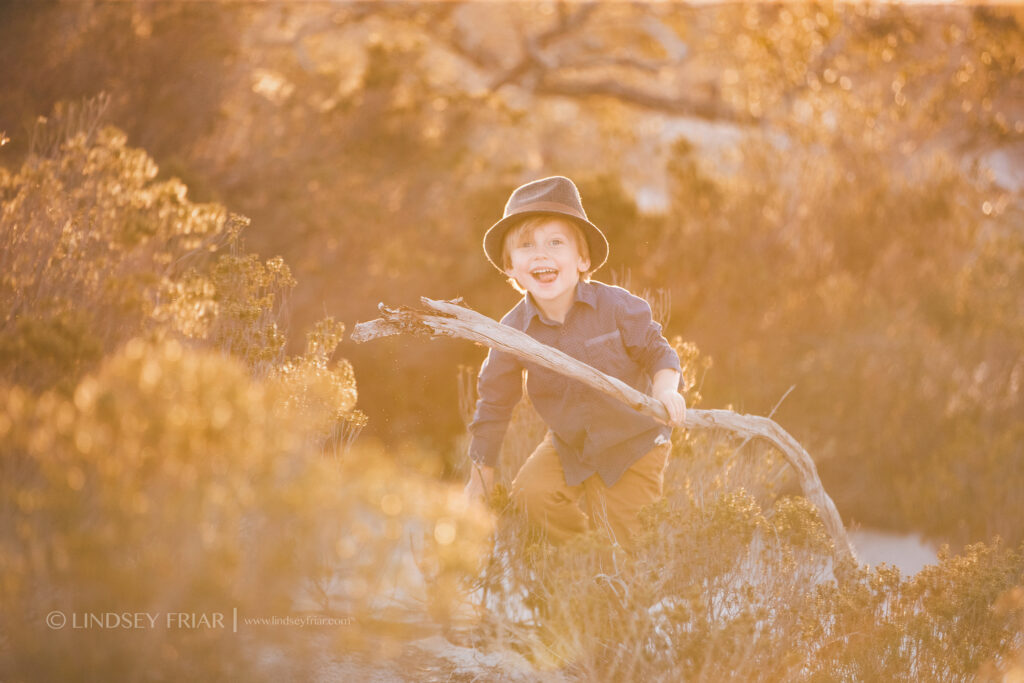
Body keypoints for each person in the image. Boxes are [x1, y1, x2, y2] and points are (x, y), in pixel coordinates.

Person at [465, 175, 686, 552]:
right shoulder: (511, 331)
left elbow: (657, 351)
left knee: (631, 541)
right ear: (510, 268)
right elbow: (494, 403)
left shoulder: (616, 306)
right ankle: (588, 560)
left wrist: (666, 389)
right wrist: (481, 474)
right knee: (533, 495)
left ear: (582, 259)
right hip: (570, 444)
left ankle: (625, 582)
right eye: (525, 246)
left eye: (556, 242)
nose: (541, 254)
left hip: (635, 443)